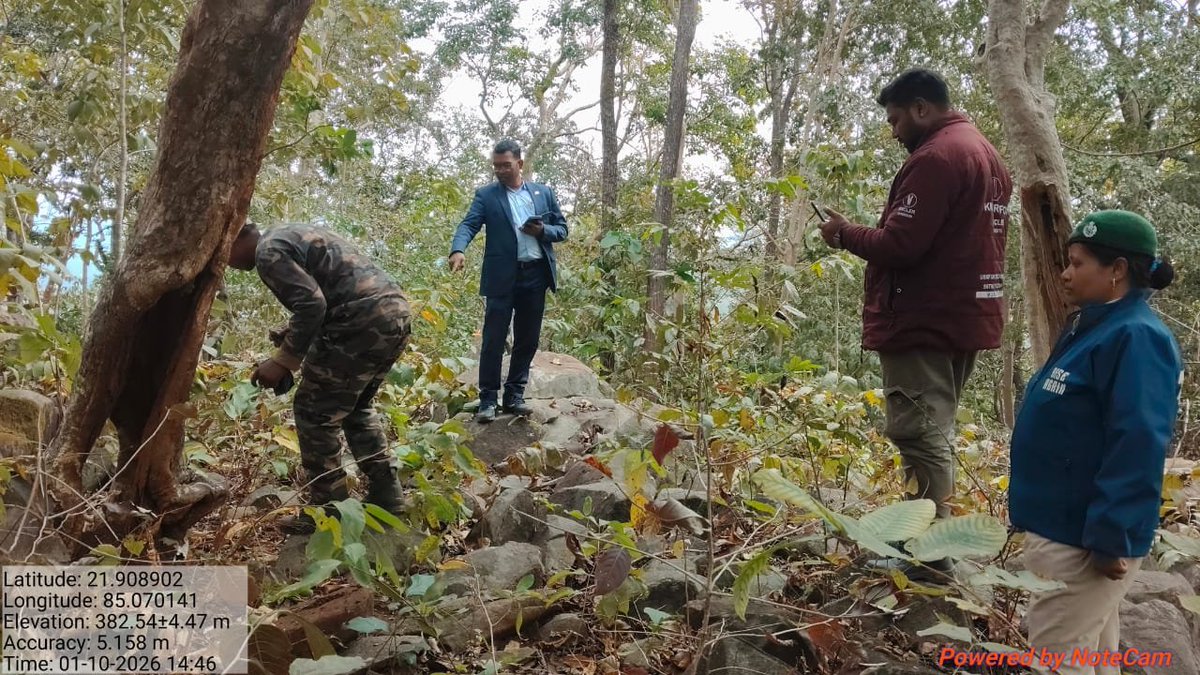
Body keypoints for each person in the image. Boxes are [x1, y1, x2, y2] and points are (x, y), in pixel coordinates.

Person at [817, 68, 1013, 578]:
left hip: (924, 319)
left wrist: (844, 233)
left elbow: (901, 245)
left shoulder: (936, 158)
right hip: (964, 315)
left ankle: (928, 555)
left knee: (920, 433)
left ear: (922, 108)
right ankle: (925, 545)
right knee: (933, 430)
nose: (893, 131)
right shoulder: (986, 155)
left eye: (896, 119)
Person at [1009, 210, 1181, 675]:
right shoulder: (1092, 326)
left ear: (1117, 270)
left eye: (1078, 263)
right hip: (1063, 528)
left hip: (1082, 541)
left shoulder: (1136, 337)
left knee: (1057, 661)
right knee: (1093, 658)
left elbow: (1138, 441)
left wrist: (1110, 535)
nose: (1065, 273)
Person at [227, 222, 412, 533]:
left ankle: (329, 509)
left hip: (359, 320)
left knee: (314, 411)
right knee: (356, 407)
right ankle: (387, 494)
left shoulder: (267, 252)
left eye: (223, 256)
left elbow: (312, 304)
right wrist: (291, 334)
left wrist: (283, 361)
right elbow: (334, 290)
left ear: (233, 239)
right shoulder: (288, 233)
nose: (227, 264)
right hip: (394, 313)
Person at [449, 140, 568, 423]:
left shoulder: (543, 193)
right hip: (502, 276)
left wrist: (542, 231)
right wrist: (458, 249)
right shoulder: (487, 195)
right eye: (496, 166)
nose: (500, 170)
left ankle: (514, 396)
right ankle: (488, 399)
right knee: (493, 338)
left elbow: (562, 229)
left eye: (506, 165)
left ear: (520, 164)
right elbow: (469, 224)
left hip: (535, 275)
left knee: (527, 339)